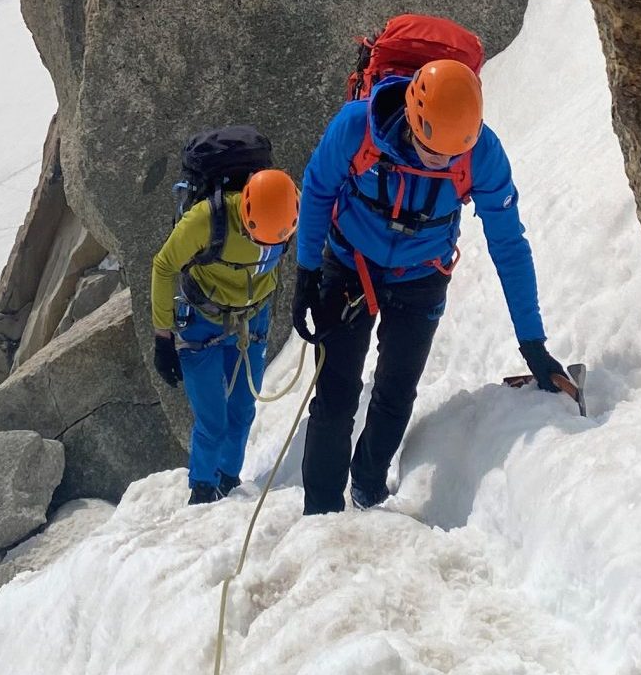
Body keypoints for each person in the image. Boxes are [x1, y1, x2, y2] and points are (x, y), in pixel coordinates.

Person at [292, 57, 573, 514]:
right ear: (411, 117)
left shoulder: (481, 153)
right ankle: (320, 513)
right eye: (431, 151)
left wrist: (533, 343)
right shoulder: (357, 126)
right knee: (335, 394)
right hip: (349, 265)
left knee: (396, 390)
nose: (441, 161)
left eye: (450, 156)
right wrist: (306, 273)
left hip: (421, 276)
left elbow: (509, 244)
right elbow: (319, 187)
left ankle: (367, 485)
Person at [151, 167, 300, 505]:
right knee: (213, 419)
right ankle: (203, 489)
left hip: (252, 320)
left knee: (243, 409)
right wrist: (163, 337)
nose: (263, 247)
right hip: (203, 321)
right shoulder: (206, 220)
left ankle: (230, 482)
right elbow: (163, 266)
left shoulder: (289, 211)